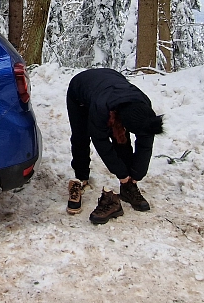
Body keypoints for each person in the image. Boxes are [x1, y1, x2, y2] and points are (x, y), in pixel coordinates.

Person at [65, 68, 164, 224]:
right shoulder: (101, 109)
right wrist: (121, 172)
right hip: (80, 91)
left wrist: (137, 173)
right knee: (81, 136)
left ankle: (128, 188)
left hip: (110, 84)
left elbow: (145, 142)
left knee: (121, 138)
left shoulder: (143, 107)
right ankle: (81, 177)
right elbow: (101, 142)